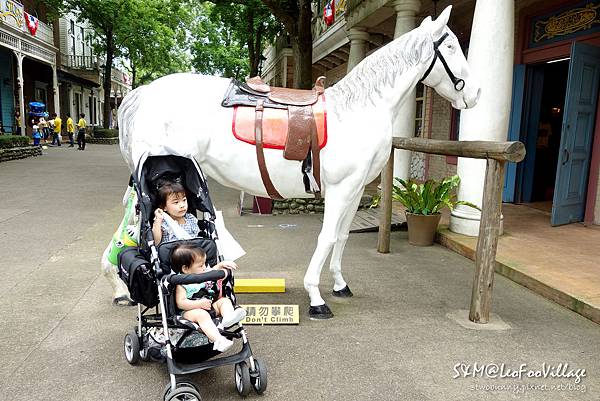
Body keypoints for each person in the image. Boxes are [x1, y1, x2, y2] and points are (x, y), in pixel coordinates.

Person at [171, 243, 246, 352]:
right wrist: (198, 304)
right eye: (201, 265)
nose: (205, 267)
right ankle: (219, 340)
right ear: (186, 269)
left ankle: (228, 318)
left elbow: (210, 271)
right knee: (201, 314)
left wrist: (221, 265)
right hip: (190, 312)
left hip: (209, 307)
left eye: (205, 263)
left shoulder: (202, 273)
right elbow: (180, 303)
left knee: (224, 301)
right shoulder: (181, 283)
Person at [152, 179, 200, 244]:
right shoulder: (163, 223)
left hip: (191, 250)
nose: (182, 205)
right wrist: (158, 219)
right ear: (164, 207)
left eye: (184, 200)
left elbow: (196, 238)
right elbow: (157, 242)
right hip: (171, 251)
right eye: (176, 202)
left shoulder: (190, 218)